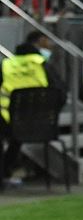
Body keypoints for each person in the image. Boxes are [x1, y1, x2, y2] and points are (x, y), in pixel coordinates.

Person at [0, 31, 56, 185]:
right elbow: (60, 92)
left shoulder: (6, 64)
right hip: (40, 122)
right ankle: (7, 171)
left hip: (6, 119)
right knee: (16, 137)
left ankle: (4, 173)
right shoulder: (42, 65)